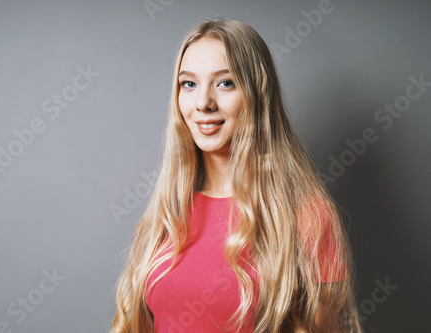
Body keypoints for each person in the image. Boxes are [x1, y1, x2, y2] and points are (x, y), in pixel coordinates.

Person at [110, 19, 364, 333]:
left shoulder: (307, 216)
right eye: (189, 84)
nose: (203, 103)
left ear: (258, 94)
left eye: (225, 83)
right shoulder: (165, 214)